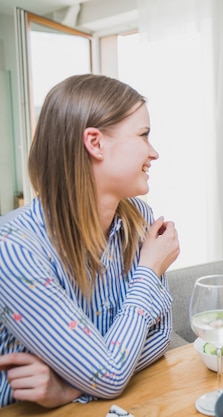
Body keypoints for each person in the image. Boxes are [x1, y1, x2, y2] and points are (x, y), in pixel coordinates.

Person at [0, 74, 180, 408]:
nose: (153, 152)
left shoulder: (139, 217)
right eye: (143, 135)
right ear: (95, 143)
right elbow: (110, 375)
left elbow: (161, 336)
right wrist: (149, 268)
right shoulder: (13, 249)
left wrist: (71, 386)